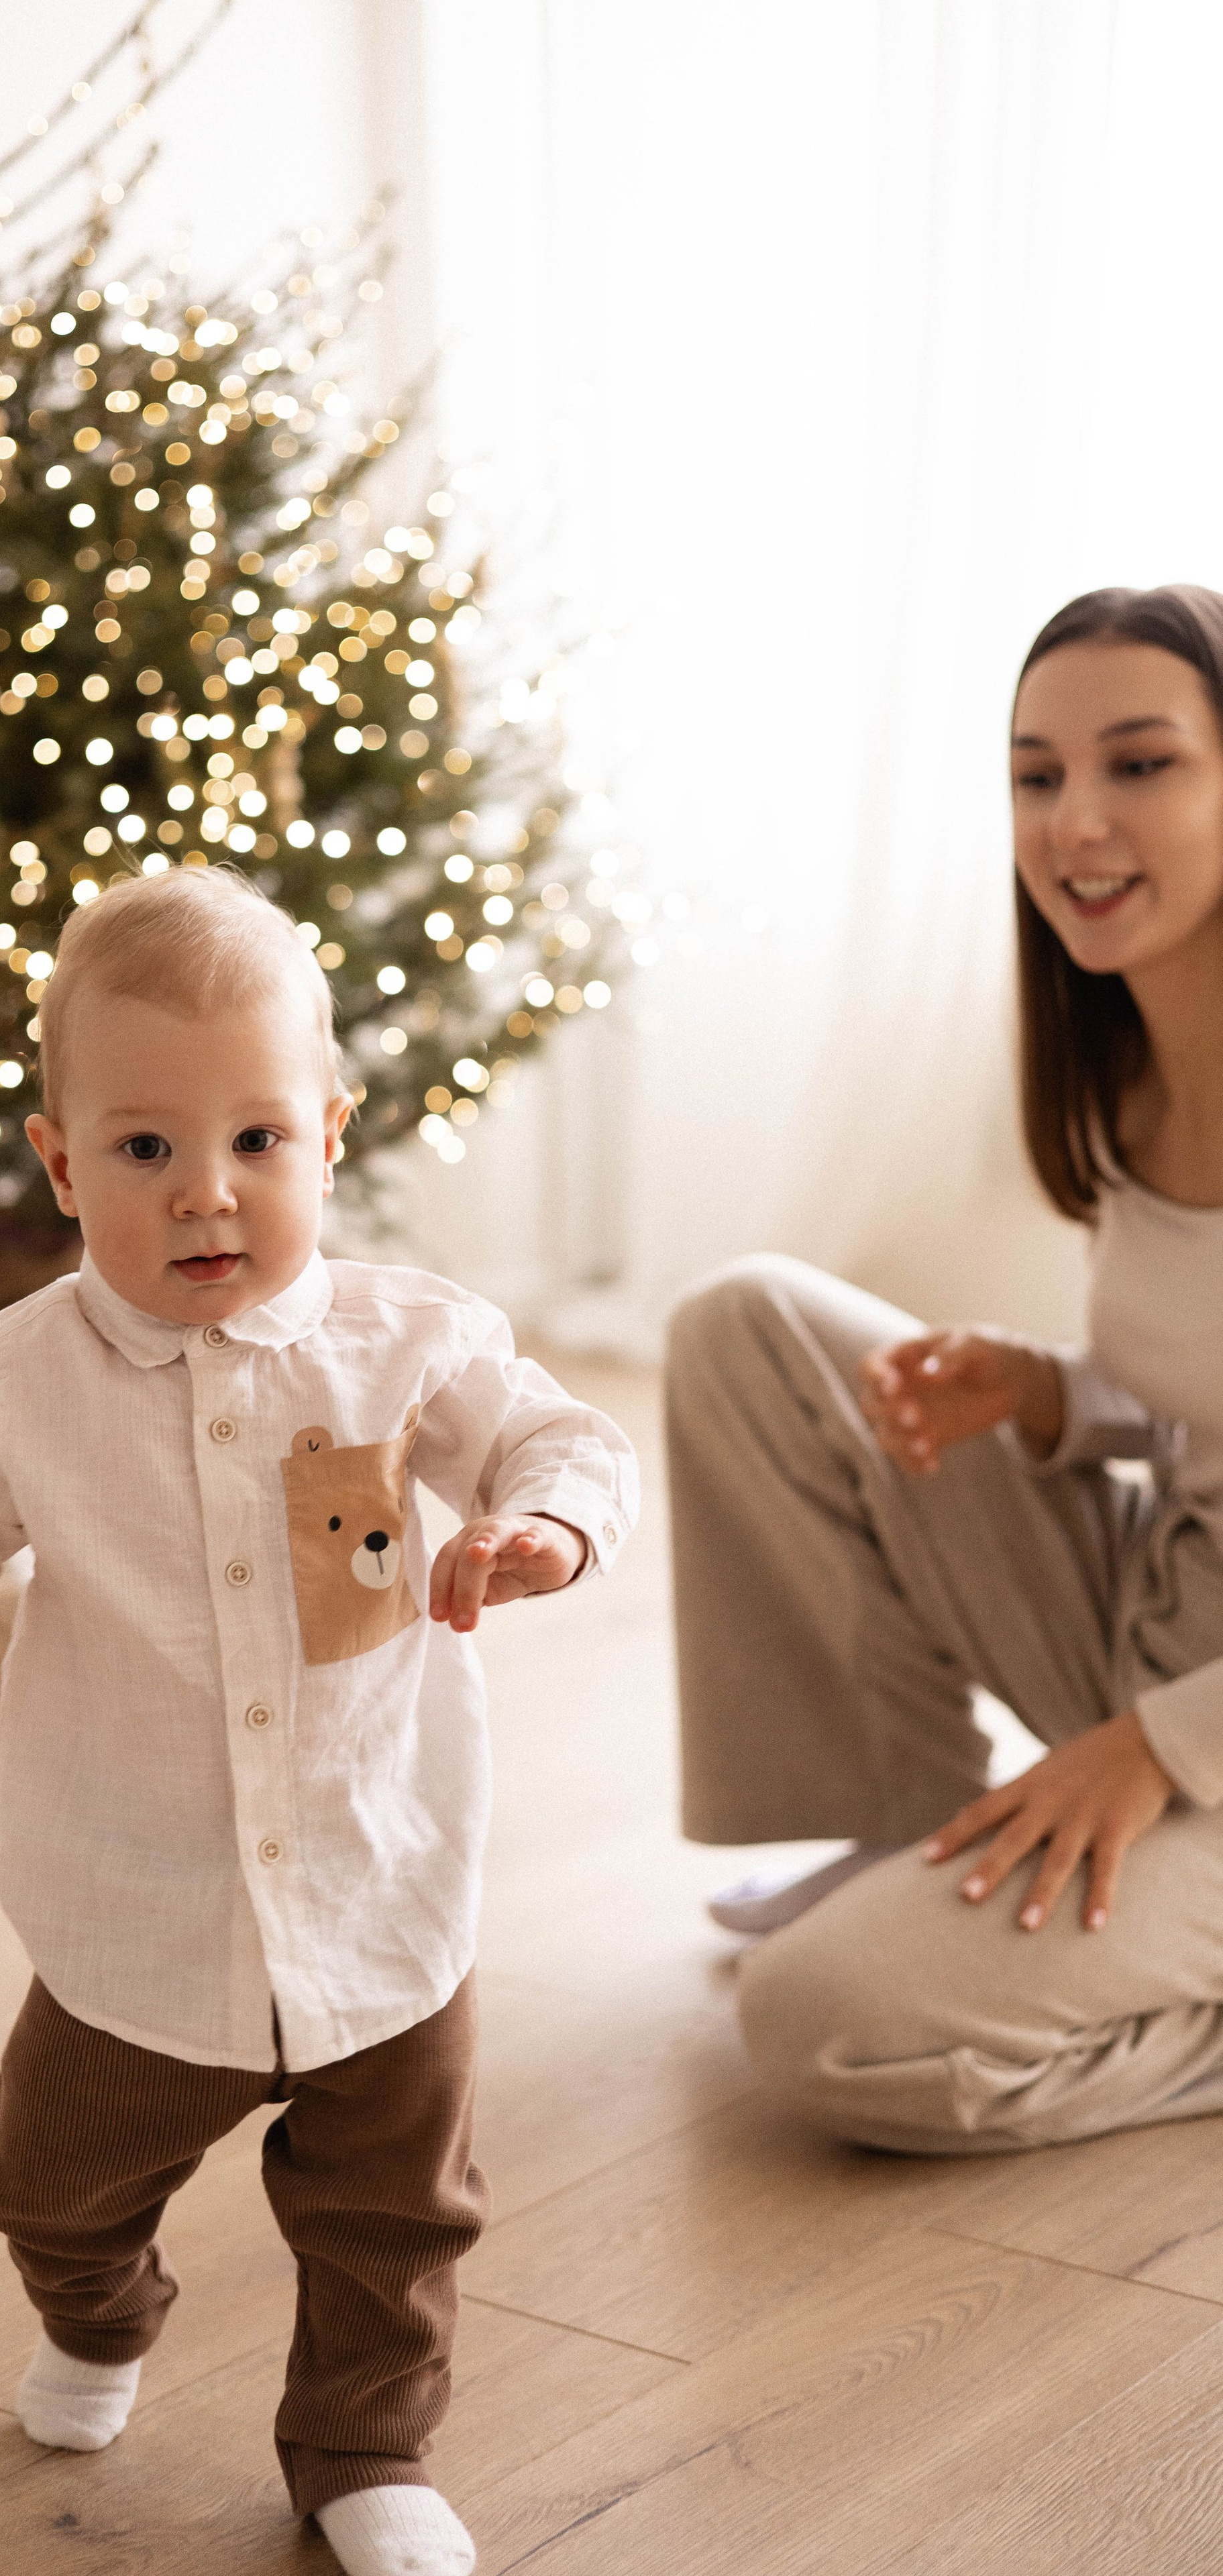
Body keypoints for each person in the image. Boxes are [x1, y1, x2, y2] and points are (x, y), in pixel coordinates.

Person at [0, 865, 636, 2576]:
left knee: (395, 2215)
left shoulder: (408, 1343)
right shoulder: (20, 1372)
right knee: (42, 2182)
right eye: (144, 1150)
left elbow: (558, 1438)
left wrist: (546, 1528)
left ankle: (365, 2450)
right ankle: (99, 2319)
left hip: (380, 1897)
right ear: (66, 1163)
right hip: (134, 1911)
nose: (205, 1194)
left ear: (327, 1134)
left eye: (256, 1142)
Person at [666, 583, 1223, 2155]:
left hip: (1198, 1732)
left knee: (820, 2026)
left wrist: (1158, 1751)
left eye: (1139, 764)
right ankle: (898, 1812)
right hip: (1155, 1629)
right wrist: (1054, 1393)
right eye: (1034, 775)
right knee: (750, 1324)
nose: (1074, 821)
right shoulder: (1124, 1072)